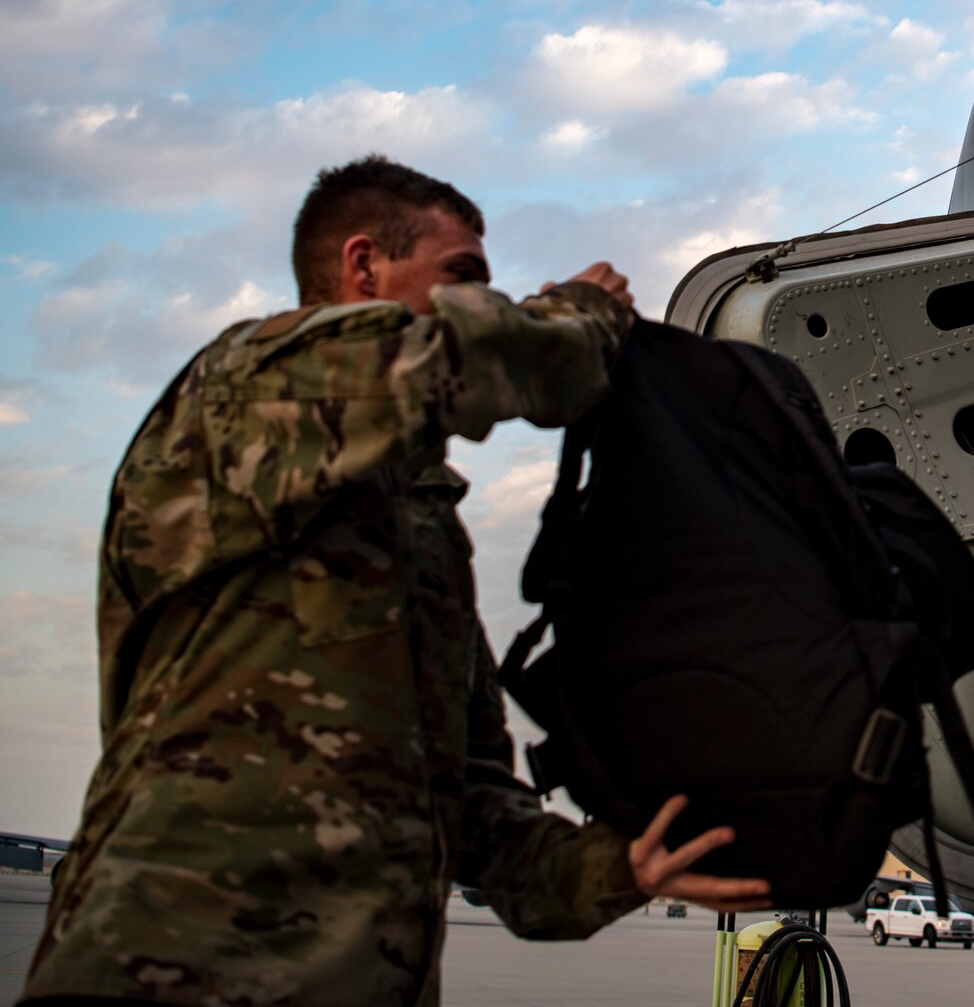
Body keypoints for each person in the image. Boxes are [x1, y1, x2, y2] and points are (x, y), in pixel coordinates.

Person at [23, 156, 770, 1006]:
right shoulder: (246, 384)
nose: (486, 302)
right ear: (361, 264)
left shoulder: (419, 534)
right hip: (174, 969)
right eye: (461, 279)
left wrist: (621, 864)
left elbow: (477, 813)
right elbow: (467, 358)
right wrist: (583, 315)